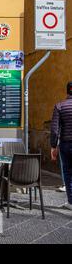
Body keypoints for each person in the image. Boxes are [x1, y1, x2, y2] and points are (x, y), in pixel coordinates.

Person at [50, 81, 72, 210]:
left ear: (67, 91)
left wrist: (53, 146)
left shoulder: (60, 106)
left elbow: (54, 129)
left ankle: (71, 202)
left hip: (66, 144)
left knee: (68, 173)